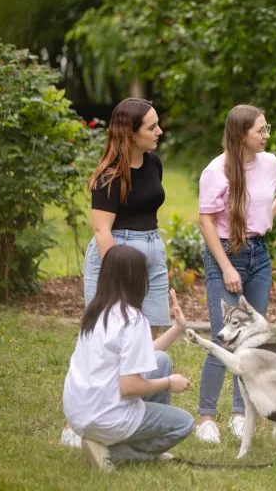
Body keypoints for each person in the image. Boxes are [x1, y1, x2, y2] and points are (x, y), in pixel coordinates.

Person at [61, 98, 170, 448]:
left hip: (151, 251)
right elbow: (101, 231)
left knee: (146, 340)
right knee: (102, 338)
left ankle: (132, 418)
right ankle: (73, 424)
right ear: (130, 132)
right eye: (152, 127)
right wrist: (121, 273)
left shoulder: (153, 163)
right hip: (117, 255)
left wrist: (150, 254)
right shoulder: (109, 175)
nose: (159, 131)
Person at [194, 105, 276, 443]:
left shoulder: (270, 163)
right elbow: (206, 221)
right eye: (260, 131)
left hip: (259, 255)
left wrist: (265, 217)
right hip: (228, 253)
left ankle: (240, 414)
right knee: (224, 337)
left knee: (250, 340)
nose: (266, 136)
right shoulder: (216, 170)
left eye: (267, 129)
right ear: (241, 135)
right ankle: (207, 417)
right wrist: (225, 267)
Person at [63, 245, 194, 471]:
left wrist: (177, 328)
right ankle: (114, 454)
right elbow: (130, 386)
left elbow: (139, 354)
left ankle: (136, 442)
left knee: (160, 360)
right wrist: (169, 383)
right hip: (106, 416)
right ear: (136, 279)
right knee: (184, 424)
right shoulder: (132, 319)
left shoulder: (97, 310)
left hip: (79, 413)